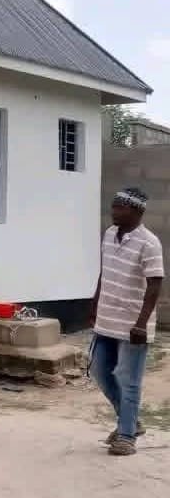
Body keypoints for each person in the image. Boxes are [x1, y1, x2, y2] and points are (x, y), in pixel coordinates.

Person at [89, 187, 164, 456]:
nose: (114, 211)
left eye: (120, 207)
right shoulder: (109, 234)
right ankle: (130, 421)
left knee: (128, 380)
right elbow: (105, 272)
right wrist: (94, 303)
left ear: (137, 211)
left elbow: (155, 285)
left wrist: (141, 323)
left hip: (134, 325)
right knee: (99, 371)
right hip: (106, 318)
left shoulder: (149, 242)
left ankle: (126, 436)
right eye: (114, 206)